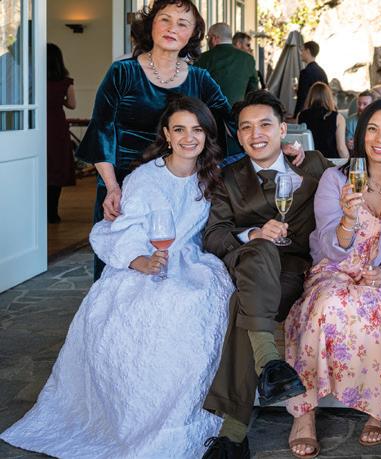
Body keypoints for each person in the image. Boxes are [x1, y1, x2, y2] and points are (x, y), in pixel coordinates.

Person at [1, 95, 234, 458]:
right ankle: (132, 416)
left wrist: (288, 149)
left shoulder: (213, 175)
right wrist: (139, 261)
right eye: (179, 130)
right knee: (138, 311)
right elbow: (124, 231)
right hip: (140, 259)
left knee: (197, 301)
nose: (189, 138)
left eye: (197, 130)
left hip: (191, 260)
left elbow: (254, 166)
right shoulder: (146, 178)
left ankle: (178, 413)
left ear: (207, 134)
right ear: (167, 134)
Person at [201, 90, 331, 459]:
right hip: (249, 262)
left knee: (244, 307)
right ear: (238, 135)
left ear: (283, 129)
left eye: (264, 125)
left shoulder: (313, 164)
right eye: (246, 127)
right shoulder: (227, 178)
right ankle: (269, 364)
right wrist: (253, 233)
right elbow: (214, 235)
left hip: (292, 267)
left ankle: (233, 433)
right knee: (259, 252)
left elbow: (355, 183)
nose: (255, 134)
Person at [284, 99, 381, 458]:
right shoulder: (335, 179)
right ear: (360, 135)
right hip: (334, 268)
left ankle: (377, 408)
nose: (380, 139)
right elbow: (330, 245)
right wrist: (346, 219)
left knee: (378, 309)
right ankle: (304, 414)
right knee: (326, 303)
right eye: (372, 129)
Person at [75, 0, 235, 281]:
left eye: (182, 23)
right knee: (120, 261)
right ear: (151, 24)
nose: (172, 28)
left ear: (192, 34)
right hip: (121, 184)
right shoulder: (122, 73)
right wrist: (112, 187)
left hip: (177, 190)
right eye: (165, 19)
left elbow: (233, 121)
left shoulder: (200, 79)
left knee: (173, 266)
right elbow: (101, 129)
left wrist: (274, 144)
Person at [46, 43, 76, 224]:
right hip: (58, 125)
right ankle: (52, 213)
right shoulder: (66, 82)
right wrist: (60, 100)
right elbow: (72, 105)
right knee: (56, 168)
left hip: (41, 125)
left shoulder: (36, 80)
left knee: (43, 167)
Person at [195, 22, 258, 104]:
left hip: (209, 110)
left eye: (208, 37)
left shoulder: (202, 58)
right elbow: (253, 89)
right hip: (238, 110)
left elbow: (194, 88)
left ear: (214, 38)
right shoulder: (248, 59)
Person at [298, 82, 349, 158]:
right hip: (332, 162)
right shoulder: (338, 117)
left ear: (310, 96)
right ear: (329, 97)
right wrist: (349, 161)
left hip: (309, 160)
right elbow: (341, 148)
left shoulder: (301, 115)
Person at [293, 40, 328, 118]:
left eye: (302, 50)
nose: (301, 53)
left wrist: (296, 115)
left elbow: (302, 97)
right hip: (322, 113)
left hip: (308, 114)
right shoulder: (322, 72)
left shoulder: (305, 72)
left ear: (308, 51)